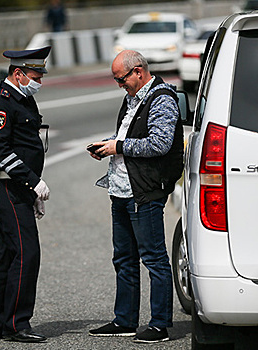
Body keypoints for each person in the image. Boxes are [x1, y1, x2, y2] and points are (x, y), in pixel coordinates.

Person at [87, 50, 184, 343]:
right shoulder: (132, 99)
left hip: (144, 192)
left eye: (121, 79)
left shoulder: (162, 99)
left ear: (138, 71)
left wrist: (118, 147)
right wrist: (108, 146)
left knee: (154, 258)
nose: (120, 85)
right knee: (124, 259)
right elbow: (131, 138)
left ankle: (159, 325)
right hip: (120, 190)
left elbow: (160, 143)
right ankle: (125, 320)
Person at [0, 46, 52, 343]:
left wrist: (31, 189)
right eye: (35, 76)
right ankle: (16, 324)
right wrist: (33, 182)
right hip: (8, 186)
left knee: (5, 253)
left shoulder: (24, 100)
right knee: (27, 252)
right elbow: (3, 153)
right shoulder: (1, 104)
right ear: (18, 73)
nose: (39, 82)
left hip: (19, 188)